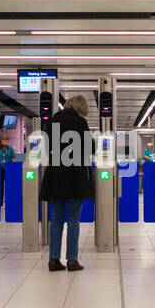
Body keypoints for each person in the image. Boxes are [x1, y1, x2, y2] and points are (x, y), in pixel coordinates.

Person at [40, 94, 94, 273]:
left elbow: (46, 148)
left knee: (56, 219)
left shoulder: (53, 121)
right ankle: (72, 260)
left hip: (55, 175)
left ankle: (53, 260)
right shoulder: (80, 123)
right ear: (81, 108)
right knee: (73, 220)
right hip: (75, 176)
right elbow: (91, 148)